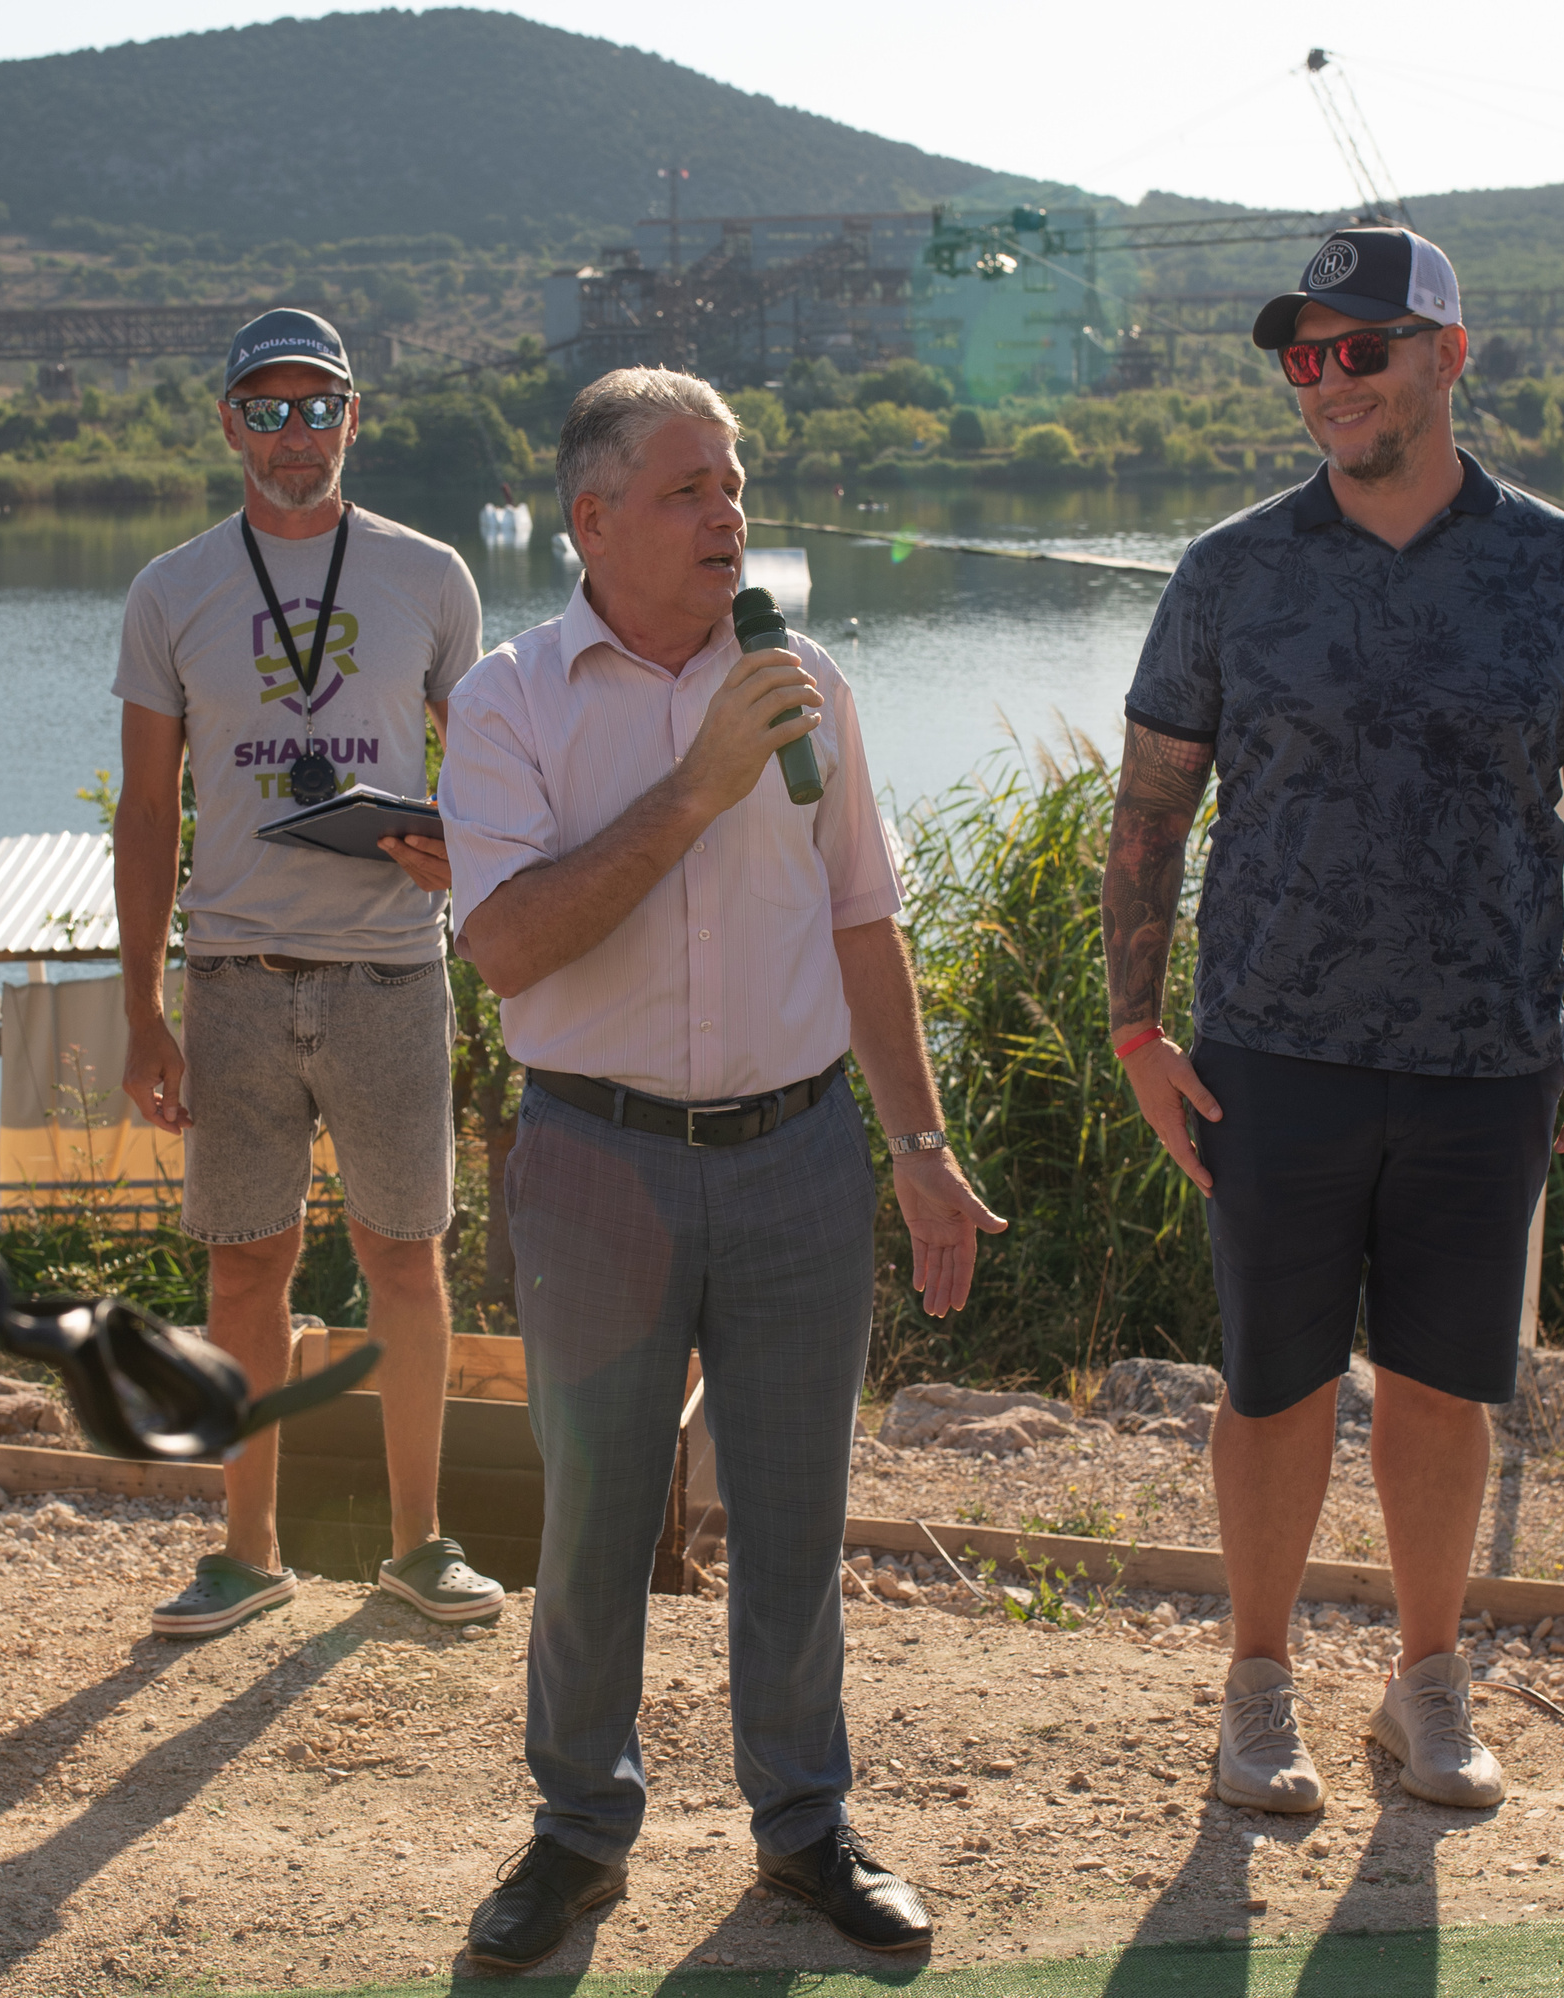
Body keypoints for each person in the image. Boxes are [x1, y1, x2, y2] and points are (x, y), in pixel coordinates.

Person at [440, 366, 1007, 1971]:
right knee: (599, 1514)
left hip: (799, 1153)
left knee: (796, 1511)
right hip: (594, 1161)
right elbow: (506, 944)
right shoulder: (508, 701)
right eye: (690, 489)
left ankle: (806, 1825)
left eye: (735, 482)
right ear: (595, 519)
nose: (729, 514)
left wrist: (921, 1148)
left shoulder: (803, 672)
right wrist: (697, 782)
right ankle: (575, 1831)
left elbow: (863, 921)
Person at [1102, 226, 1564, 1814]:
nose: (1330, 380)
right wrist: (1139, 1034)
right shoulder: (1231, 572)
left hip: (1490, 1055)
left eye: (1362, 348)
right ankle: (1260, 1683)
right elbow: (1152, 807)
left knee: (1441, 1382)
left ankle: (1426, 1682)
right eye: (1305, 355)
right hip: (1268, 1049)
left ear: (1447, 355)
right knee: (1271, 1384)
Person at [114, 307, 501, 1639]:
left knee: (407, 1256)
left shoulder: (430, 575)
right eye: (265, 411)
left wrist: (468, 851)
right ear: (229, 422)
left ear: (354, 416)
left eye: (315, 407)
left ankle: (420, 1543)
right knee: (244, 1270)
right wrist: (140, 1013)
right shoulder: (171, 589)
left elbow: (493, 771)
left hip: (392, 970)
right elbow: (146, 807)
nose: (293, 435)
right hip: (230, 975)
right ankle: (245, 1550)